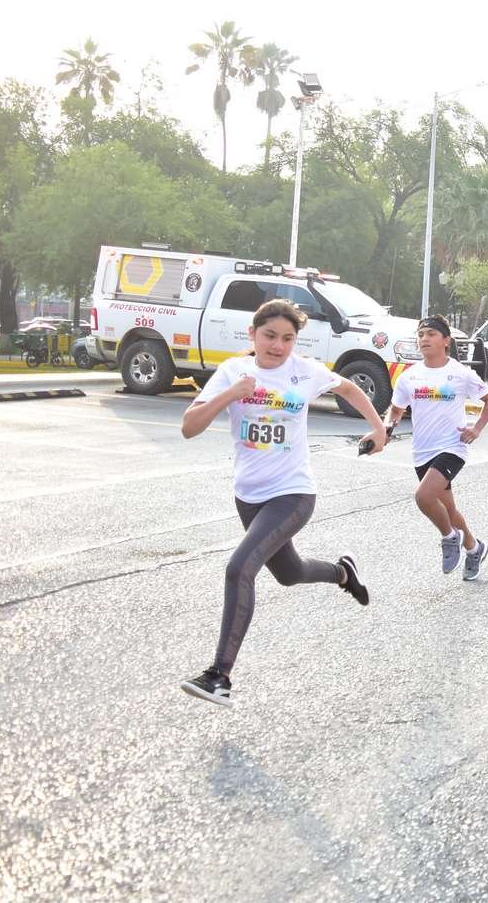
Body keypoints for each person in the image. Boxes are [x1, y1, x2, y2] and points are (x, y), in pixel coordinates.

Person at [178, 298, 387, 707]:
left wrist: (379, 428)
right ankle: (343, 574)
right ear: (252, 334)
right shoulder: (233, 372)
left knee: (240, 568)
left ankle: (219, 676)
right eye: (270, 336)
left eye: (287, 339)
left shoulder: (304, 371)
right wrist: (232, 394)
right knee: (289, 573)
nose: (277, 346)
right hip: (249, 496)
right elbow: (189, 426)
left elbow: (347, 388)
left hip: (293, 493)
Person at [385, 315, 488, 580]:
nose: (424, 339)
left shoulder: (461, 373)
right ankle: (474, 548)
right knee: (449, 510)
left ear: (446, 340)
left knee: (423, 497)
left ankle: (449, 537)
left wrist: (476, 428)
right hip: (422, 451)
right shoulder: (409, 376)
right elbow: (396, 410)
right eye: (421, 334)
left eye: (431, 334)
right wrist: (386, 428)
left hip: (452, 448)